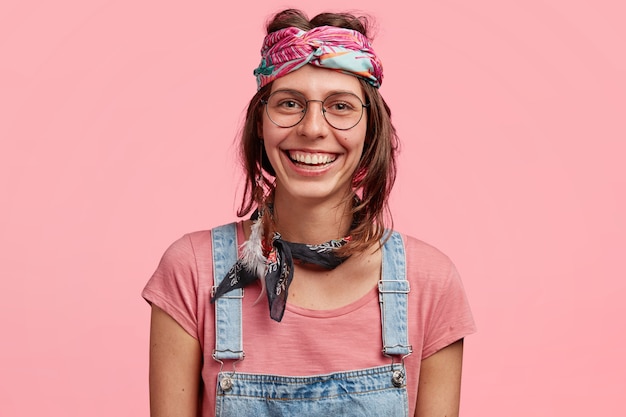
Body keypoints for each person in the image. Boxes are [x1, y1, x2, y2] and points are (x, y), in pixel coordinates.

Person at [142, 8, 476, 417]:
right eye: (289, 103)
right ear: (259, 124)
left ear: (371, 130)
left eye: (340, 106)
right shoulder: (192, 273)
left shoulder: (429, 282)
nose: (313, 128)